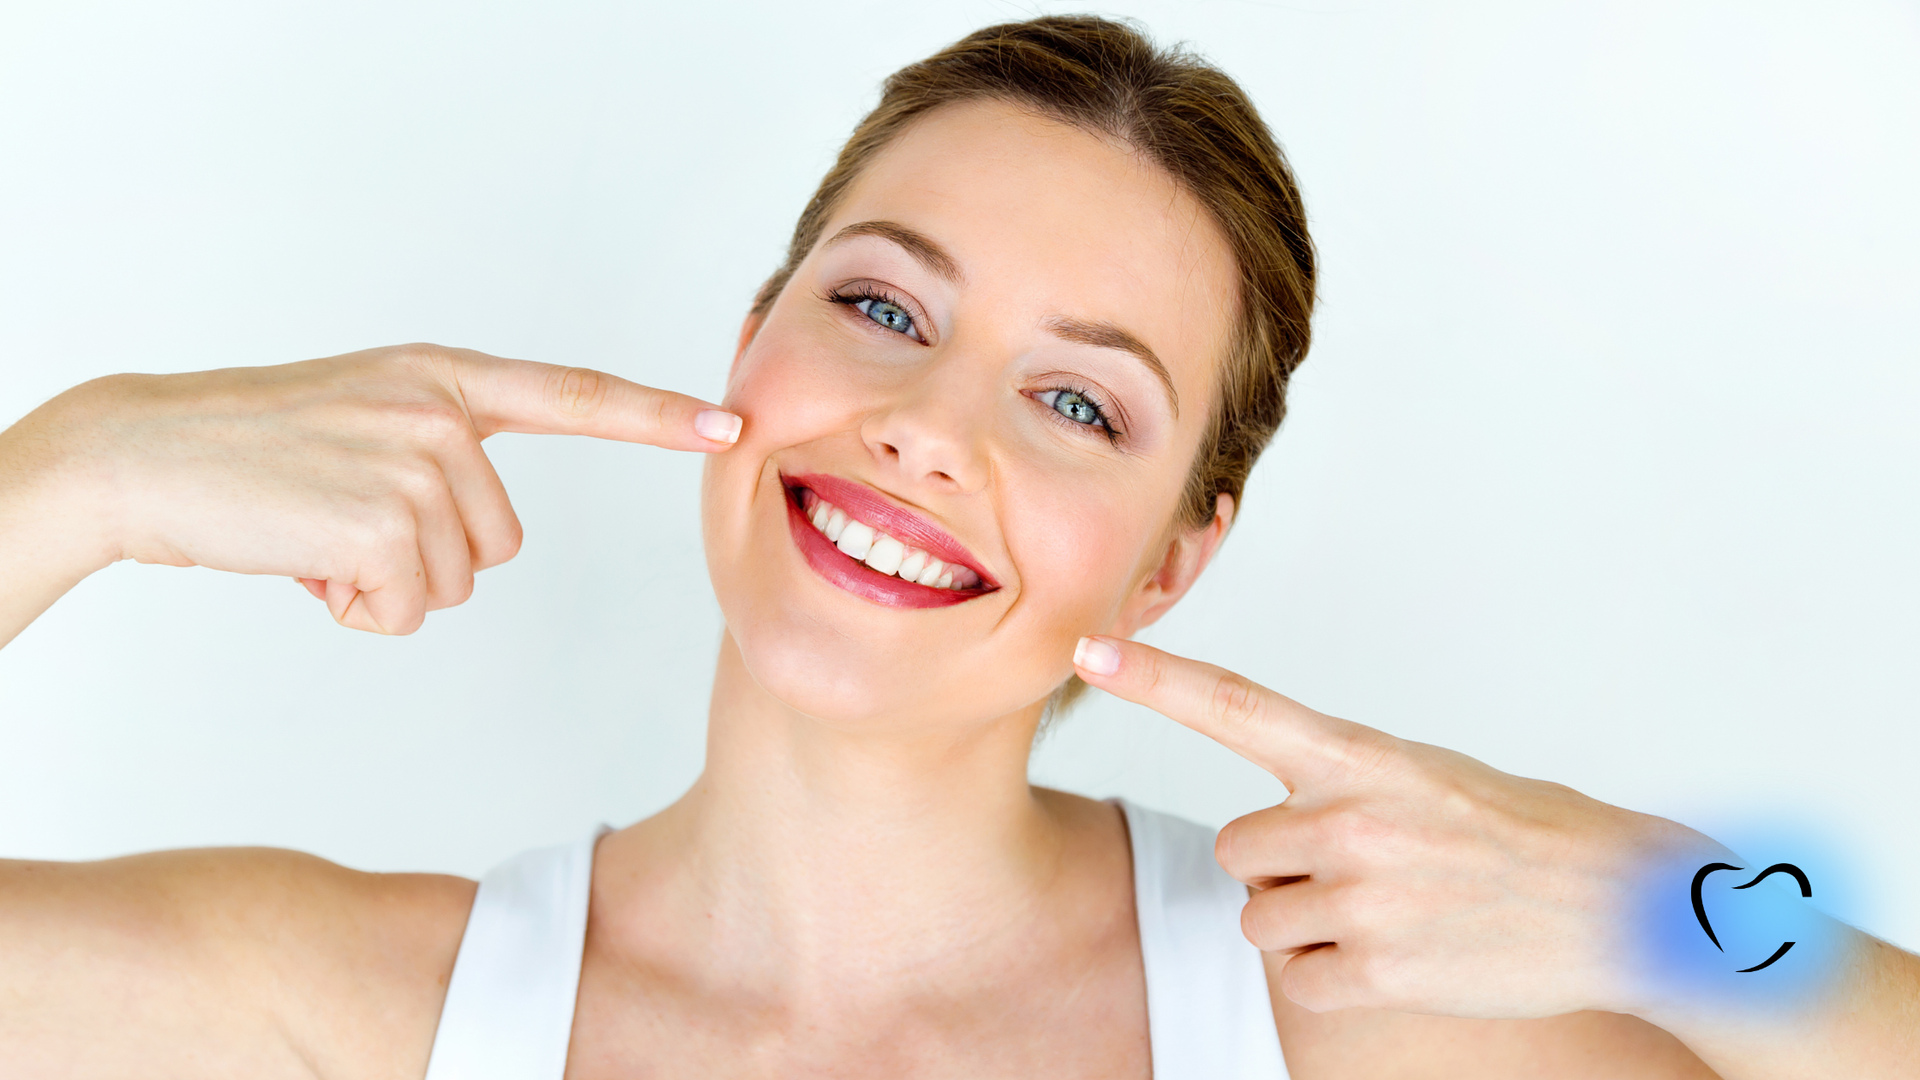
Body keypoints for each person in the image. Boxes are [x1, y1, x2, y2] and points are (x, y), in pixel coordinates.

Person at [0, 15, 1913, 1080]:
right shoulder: (348, 1012)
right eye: (886, 311)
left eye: (1081, 404)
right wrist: (71, 474)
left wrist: (1661, 904)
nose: (928, 427)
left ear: (1173, 561)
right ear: (752, 340)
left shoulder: (1348, 1035)